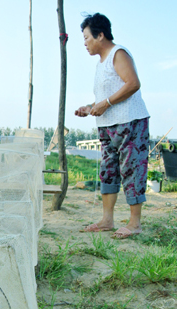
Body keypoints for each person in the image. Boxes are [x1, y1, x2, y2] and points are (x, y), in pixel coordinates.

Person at [75, 13, 149, 239]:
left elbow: (133, 83)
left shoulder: (118, 53)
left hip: (130, 122)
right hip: (107, 126)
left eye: (87, 38)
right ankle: (107, 219)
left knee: (132, 169)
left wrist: (104, 104)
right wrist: (90, 107)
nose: (85, 43)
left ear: (100, 35)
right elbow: (107, 96)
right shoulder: (100, 64)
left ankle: (135, 223)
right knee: (108, 172)